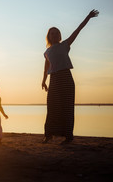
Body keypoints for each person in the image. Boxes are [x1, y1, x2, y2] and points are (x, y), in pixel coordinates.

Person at [41, 9, 99, 144]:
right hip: (54, 80)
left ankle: (68, 137)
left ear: (59, 35)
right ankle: (48, 135)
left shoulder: (65, 45)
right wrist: (43, 81)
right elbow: (46, 68)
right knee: (52, 107)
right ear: (48, 36)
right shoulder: (47, 51)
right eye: (52, 33)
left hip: (66, 78)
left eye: (56, 33)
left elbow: (78, 30)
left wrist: (88, 17)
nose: (54, 35)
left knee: (67, 108)